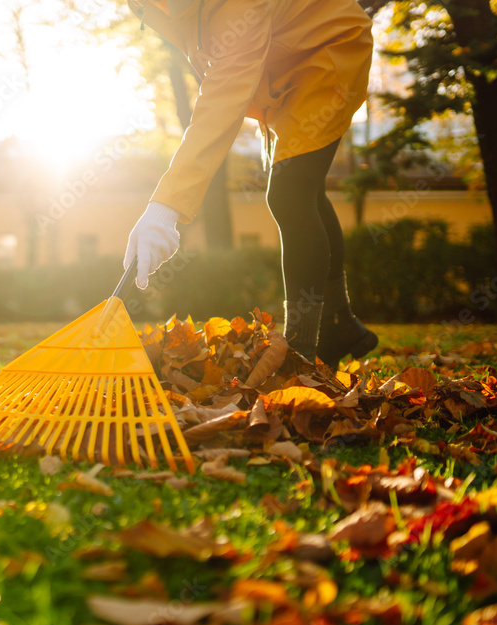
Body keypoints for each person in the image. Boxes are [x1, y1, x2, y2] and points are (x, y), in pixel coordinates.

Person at [123, 0, 379, 367]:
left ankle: (300, 354)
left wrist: (165, 207)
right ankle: (339, 324)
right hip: (283, 62)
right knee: (305, 192)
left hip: (329, 48)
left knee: (290, 194)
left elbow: (224, 89)